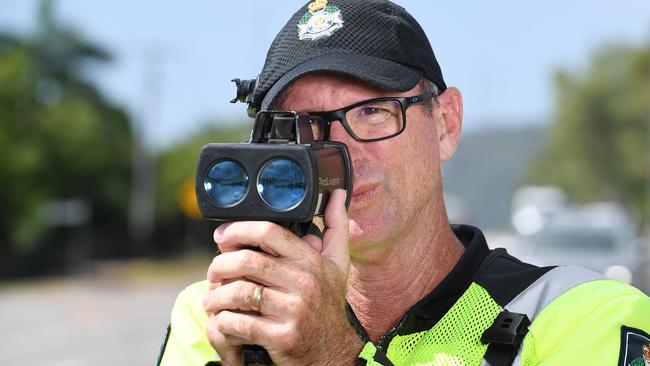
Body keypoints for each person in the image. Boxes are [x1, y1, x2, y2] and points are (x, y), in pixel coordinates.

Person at [157, 1, 650, 365]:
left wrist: (329, 354)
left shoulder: (582, 314)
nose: (340, 152)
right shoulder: (219, 312)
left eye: (372, 112)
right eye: (303, 123)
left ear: (446, 124)